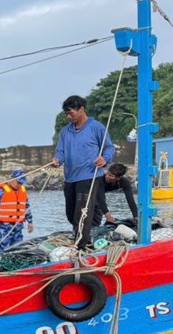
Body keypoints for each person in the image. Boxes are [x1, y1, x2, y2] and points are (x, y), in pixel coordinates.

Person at [52, 95, 114, 248]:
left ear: (81, 109)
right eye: (66, 113)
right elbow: (61, 151)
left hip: (89, 176)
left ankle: (80, 245)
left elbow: (109, 147)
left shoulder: (96, 127)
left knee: (82, 213)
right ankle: (81, 234)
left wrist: (104, 159)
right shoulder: (65, 132)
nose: (68, 116)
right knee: (70, 213)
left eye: (70, 113)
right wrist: (57, 159)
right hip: (70, 177)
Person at [0, 169, 35, 249]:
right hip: (4, 227)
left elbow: (26, 207)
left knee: (18, 248)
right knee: (5, 249)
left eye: (21, 183)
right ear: (12, 179)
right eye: (18, 182)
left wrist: (30, 222)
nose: (19, 184)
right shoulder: (0, 191)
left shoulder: (22, 191)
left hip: (18, 226)